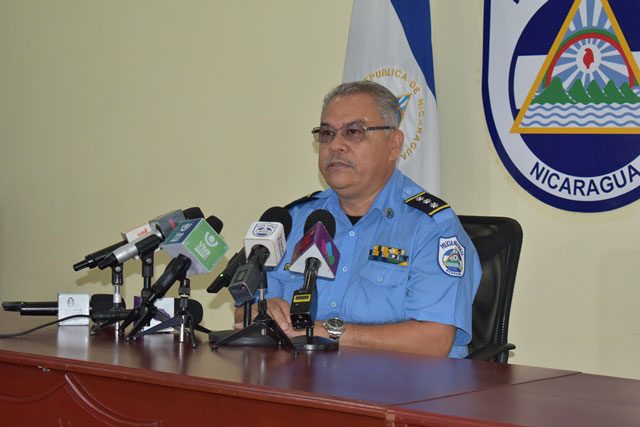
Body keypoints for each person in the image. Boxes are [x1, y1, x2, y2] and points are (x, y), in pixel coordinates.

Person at [235, 81, 481, 358]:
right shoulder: (293, 220)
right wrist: (261, 311)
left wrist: (328, 332)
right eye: (327, 133)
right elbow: (246, 311)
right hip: (300, 377)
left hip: (397, 382)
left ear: (393, 145)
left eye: (353, 132)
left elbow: (433, 341)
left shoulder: (431, 227)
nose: (335, 146)